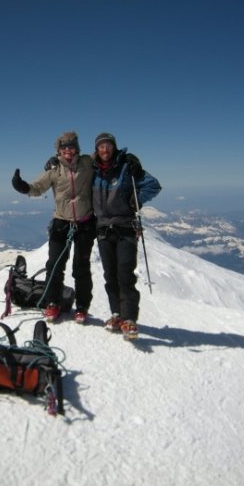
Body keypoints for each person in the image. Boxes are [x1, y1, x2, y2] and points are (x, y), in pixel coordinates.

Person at [12, 131, 97, 323]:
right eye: (64, 147)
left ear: (77, 148)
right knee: (54, 265)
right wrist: (22, 187)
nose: (68, 150)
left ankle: (82, 307)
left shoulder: (87, 163)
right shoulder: (54, 168)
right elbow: (37, 187)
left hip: (84, 223)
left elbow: (105, 157)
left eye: (71, 146)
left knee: (81, 267)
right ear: (59, 150)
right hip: (61, 223)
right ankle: (52, 303)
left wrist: (125, 158)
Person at [92, 132, 162, 338]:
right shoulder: (92, 170)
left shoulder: (126, 167)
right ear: (97, 150)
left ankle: (129, 318)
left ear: (113, 147)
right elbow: (72, 168)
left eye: (108, 146)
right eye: (101, 146)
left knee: (124, 274)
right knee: (110, 276)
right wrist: (54, 161)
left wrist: (135, 200)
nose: (104, 150)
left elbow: (153, 185)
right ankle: (116, 314)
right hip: (103, 229)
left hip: (125, 228)